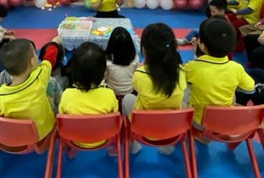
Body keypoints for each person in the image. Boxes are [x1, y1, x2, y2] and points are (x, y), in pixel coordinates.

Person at [122, 23, 187, 155]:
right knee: (184, 100)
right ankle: (167, 147)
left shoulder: (140, 74)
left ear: (144, 50)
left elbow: (136, 88)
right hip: (172, 126)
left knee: (128, 99)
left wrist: (142, 67)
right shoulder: (181, 71)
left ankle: (133, 147)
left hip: (144, 128)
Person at [184, 19, 255, 128]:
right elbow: (250, 89)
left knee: (185, 89)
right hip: (223, 120)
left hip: (198, 121)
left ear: (202, 45)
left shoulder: (191, 67)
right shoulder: (236, 67)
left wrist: (196, 56)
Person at [0, 39, 61, 141]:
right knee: (52, 84)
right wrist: (55, 42)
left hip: (12, 138)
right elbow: (49, 58)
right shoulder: (40, 77)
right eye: (35, 54)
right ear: (32, 61)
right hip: (42, 132)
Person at [59, 42, 119, 149]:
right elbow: (114, 115)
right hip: (103, 138)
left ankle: (70, 150)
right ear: (103, 71)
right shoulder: (109, 94)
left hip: (74, 140)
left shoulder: (66, 95)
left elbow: (62, 116)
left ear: (74, 70)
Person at [104, 27, 139, 96]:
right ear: (130, 45)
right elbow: (136, 75)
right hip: (130, 92)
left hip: (112, 92)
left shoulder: (107, 61)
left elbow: (105, 77)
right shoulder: (135, 59)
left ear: (111, 45)